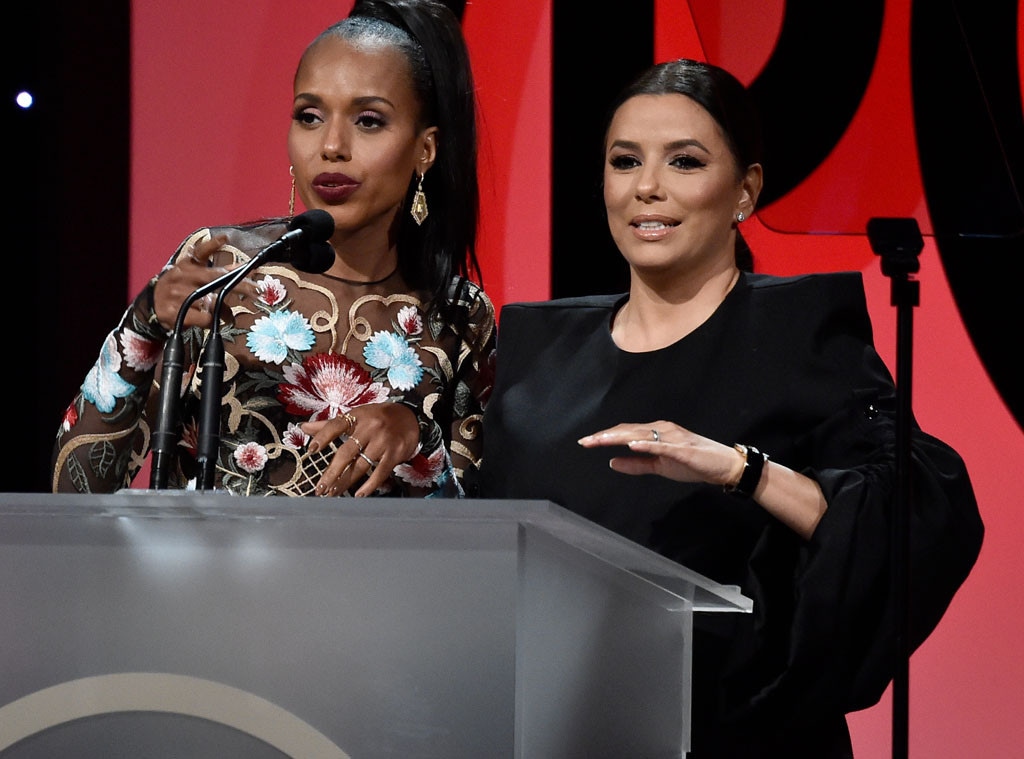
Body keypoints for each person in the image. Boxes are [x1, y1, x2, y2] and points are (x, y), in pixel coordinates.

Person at [479, 58, 983, 757]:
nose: (647, 188)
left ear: (745, 189)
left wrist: (742, 470)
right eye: (625, 161)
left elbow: (917, 514)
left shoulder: (800, 332)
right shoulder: (538, 346)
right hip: (561, 731)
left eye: (684, 162)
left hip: (747, 737)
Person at [52, 0, 496, 498]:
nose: (331, 146)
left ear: (425, 150)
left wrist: (418, 438)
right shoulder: (220, 270)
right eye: (309, 116)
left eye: (369, 120)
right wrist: (143, 329)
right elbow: (74, 492)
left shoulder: (459, 317)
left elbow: (483, 541)